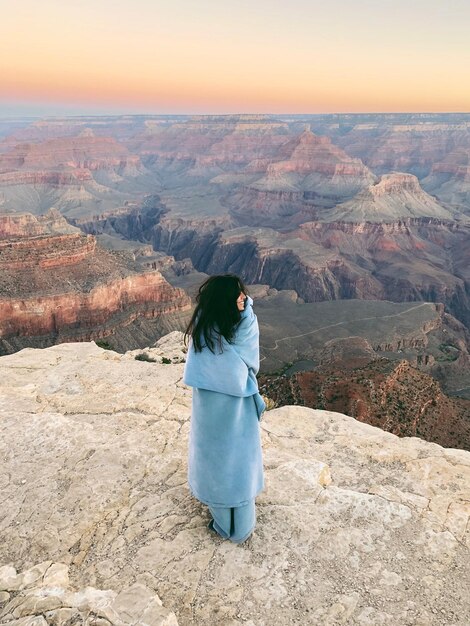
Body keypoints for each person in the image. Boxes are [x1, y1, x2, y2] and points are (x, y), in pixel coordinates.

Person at [183, 274, 265, 543]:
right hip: (215, 408)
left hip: (236, 405)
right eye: (237, 295)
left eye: (243, 292)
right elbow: (233, 368)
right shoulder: (206, 330)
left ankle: (240, 529)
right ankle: (224, 524)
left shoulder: (245, 322)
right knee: (220, 462)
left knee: (236, 463)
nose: (243, 298)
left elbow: (246, 361)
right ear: (224, 302)